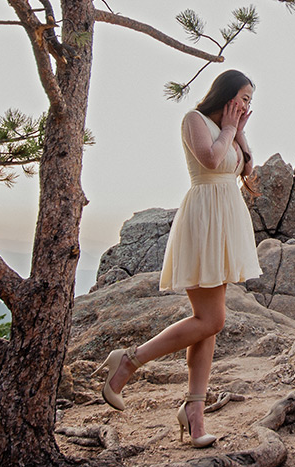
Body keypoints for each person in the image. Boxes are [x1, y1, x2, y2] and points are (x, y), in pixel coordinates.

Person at [97, 69, 261, 447]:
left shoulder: (230, 129)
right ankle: (129, 361)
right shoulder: (194, 120)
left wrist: (240, 129)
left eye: (250, 101)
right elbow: (209, 159)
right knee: (212, 319)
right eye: (243, 98)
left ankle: (195, 413)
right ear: (225, 95)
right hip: (204, 217)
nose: (246, 105)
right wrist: (229, 130)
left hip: (226, 219)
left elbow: (246, 169)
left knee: (209, 323)